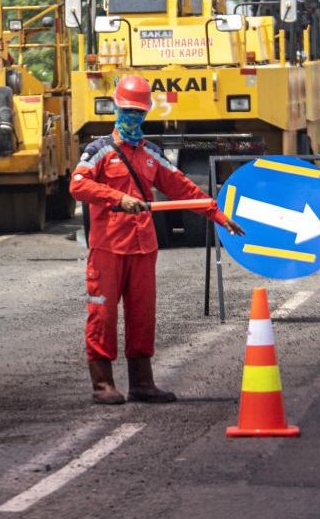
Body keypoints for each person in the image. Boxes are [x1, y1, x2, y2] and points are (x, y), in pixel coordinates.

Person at [69, 75, 244, 405]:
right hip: (107, 248)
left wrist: (218, 215)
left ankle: (142, 383)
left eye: (139, 112)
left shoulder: (152, 153)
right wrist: (117, 199)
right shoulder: (98, 151)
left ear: (147, 113)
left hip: (143, 248)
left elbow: (183, 188)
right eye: (128, 111)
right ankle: (102, 384)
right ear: (116, 109)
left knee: (142, 314)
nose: (133, 118)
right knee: (102, 315)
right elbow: (78, 186)